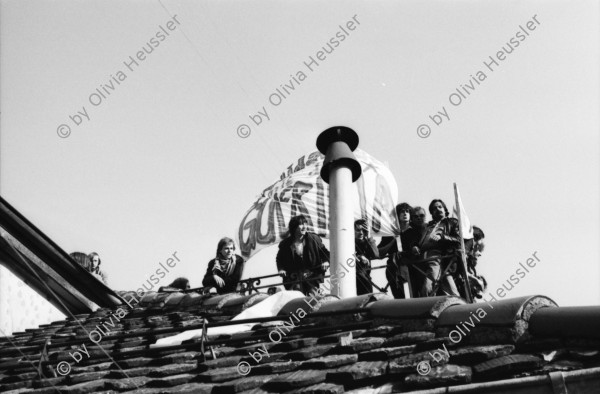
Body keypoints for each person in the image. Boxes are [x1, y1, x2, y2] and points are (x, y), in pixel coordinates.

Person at [411, 199, 461, 297]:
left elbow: (459, 240)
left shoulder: (452, 222)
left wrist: (442, 237)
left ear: (444, 209)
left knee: (430, 283)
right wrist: (414, 246)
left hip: (437, 256)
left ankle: (424, 304)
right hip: (419, 258)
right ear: (431, 213)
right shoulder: (427, 226)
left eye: (440, 207)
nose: (437, 209)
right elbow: (416, 239)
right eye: (434, 208)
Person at [276, 215, 330, 295]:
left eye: (305, 224)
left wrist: (326, 262)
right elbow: (279, 259)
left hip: (312, 277)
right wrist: (281, 269)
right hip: (294, 278)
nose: (304, 227)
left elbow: (325, 253)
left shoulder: (314, 239)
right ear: (294, 227)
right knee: (297, 298)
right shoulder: (285, 244)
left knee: (314, 299)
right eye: (301, 224)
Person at [354, 219, 379, 295]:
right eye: (358, 230)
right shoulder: (349, 242)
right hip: (352, 280)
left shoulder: (368, 242)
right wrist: (359, 256)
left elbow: (376, 255)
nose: (361, 233)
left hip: (365, 278)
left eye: (364, 230)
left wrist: (369, 238)